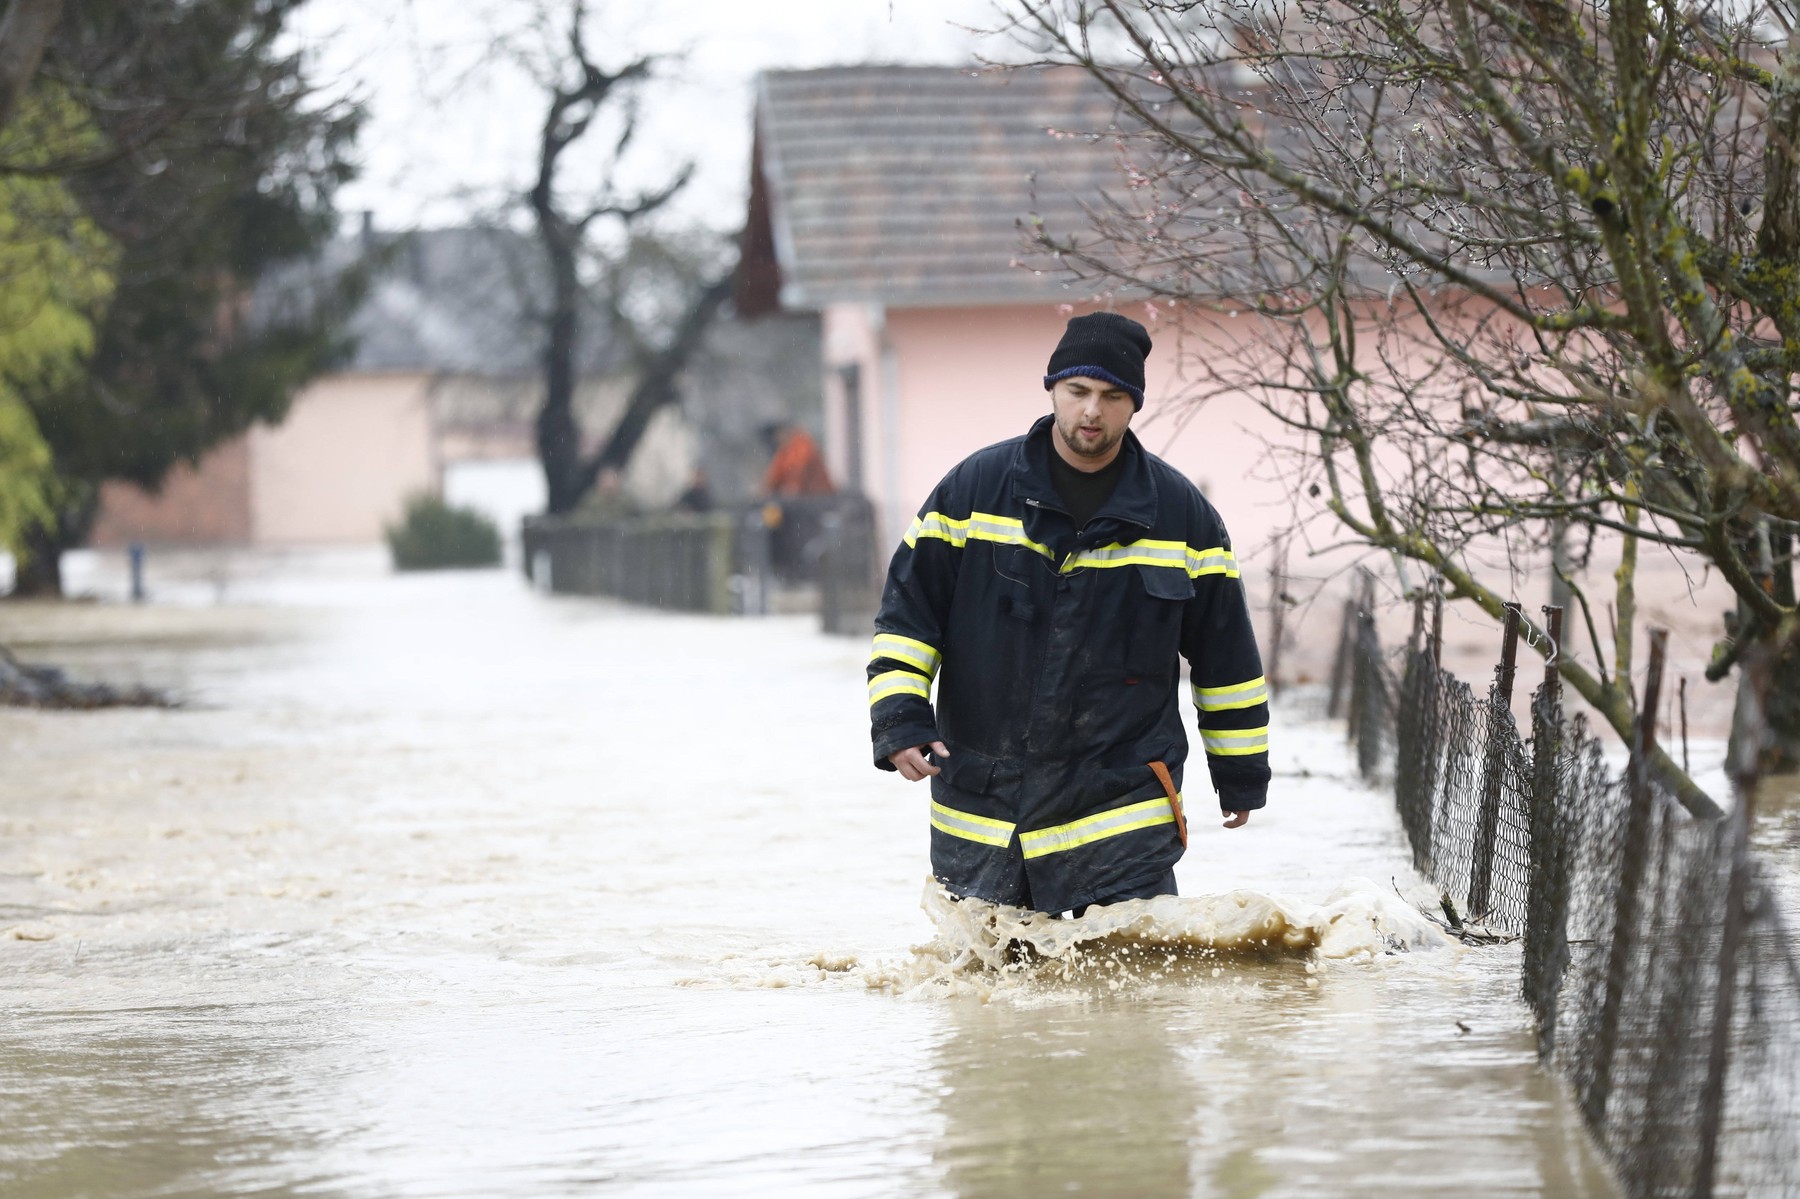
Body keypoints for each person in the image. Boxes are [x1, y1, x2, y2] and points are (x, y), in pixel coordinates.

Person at [866, 312, 1269, 916]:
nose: (1091, 411)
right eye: (1078, 391)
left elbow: (1226, 660)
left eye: (1111, 397)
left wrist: (1240, 774)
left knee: (1132, 993)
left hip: (1122, 812)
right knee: (985, 997)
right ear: (1052, 388)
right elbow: (908, 619)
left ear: (1133, 406)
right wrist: (900, 722)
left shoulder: (1183, 518)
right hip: (987, 812)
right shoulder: (973, 492)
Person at [759, 421, 834, 497]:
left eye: (777, 434)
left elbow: (799, 469)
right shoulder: (783, 451)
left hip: (818, 498)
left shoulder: (802, 444)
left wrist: (791, 488)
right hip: (804, 499)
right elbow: (774, 476)